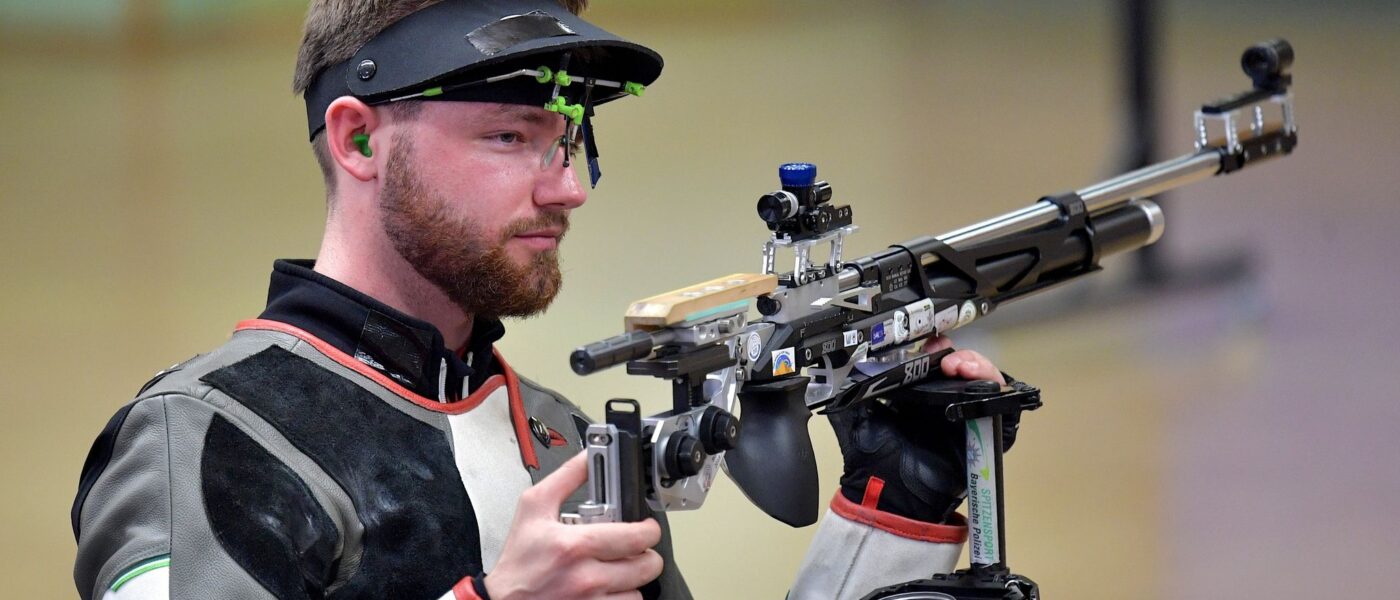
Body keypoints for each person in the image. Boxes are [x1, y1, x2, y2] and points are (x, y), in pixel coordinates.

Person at [71, 1, 1009, 599]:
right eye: (513, 137)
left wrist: (893, 517)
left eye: (569, 143)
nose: (569, 189)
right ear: (358, 143)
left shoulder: (555, 440)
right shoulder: (207, 437)